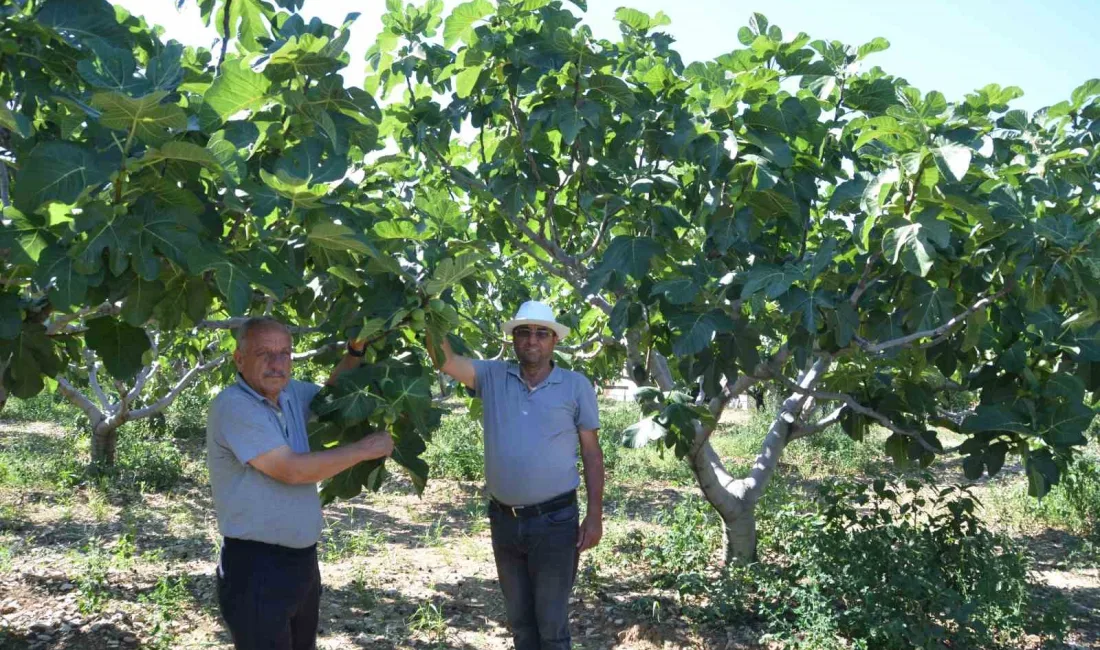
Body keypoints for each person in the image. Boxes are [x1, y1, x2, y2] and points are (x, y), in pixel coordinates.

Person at [206, 317, 392, 650]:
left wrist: (355, 350)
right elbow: (290, 470)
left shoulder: (291, 394)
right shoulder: (234, 406)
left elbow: (333, 398)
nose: (277, 363)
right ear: (238, 358)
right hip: (256, 569)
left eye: (285, 353)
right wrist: (364, 450)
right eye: (264, 353)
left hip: (302, 563)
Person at [428, 300, 604, 650]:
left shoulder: (575, 385)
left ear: (554, 341)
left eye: (541, 333)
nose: (532, 341)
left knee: (551, 627)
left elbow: (592, 453)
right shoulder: (492, 377)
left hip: (555, 521)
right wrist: (429, 312)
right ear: (513, 340)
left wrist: (595, 515)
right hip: (504, 521)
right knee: (521, 624)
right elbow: (445, 361)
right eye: (524, 333)